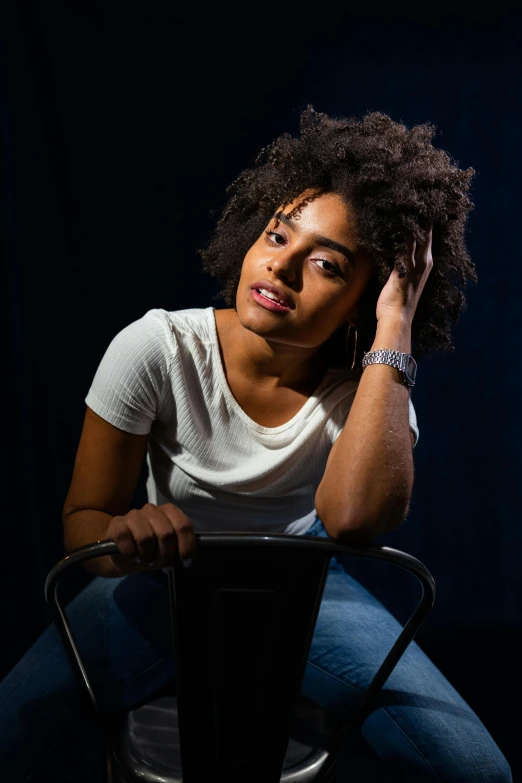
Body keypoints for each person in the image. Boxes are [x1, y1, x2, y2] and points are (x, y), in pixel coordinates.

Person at [0, 106, 512, 782]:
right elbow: (80, 523)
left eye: (326, 264)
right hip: (154, 586)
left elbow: (356, 519)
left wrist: (394, 326)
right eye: (276, 234)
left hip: (304, 595)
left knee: (475, 769)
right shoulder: (156, 348)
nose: (281, 268)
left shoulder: (370, 396)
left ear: (364, 298)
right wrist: (123, 535)